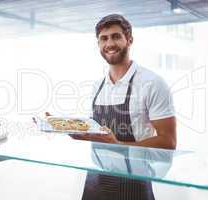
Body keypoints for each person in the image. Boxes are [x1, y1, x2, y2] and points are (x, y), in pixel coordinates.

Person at [69, 14, 177, 200]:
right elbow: (98, 134)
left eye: (116, 36)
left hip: (134, 184)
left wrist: (118, 145)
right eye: (104, 38)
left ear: (130, 39)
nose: (109, 43)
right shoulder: (98, 86)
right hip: (95, 180)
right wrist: (80, 133)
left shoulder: (152, 82)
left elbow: (168, 141)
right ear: (98, 44)